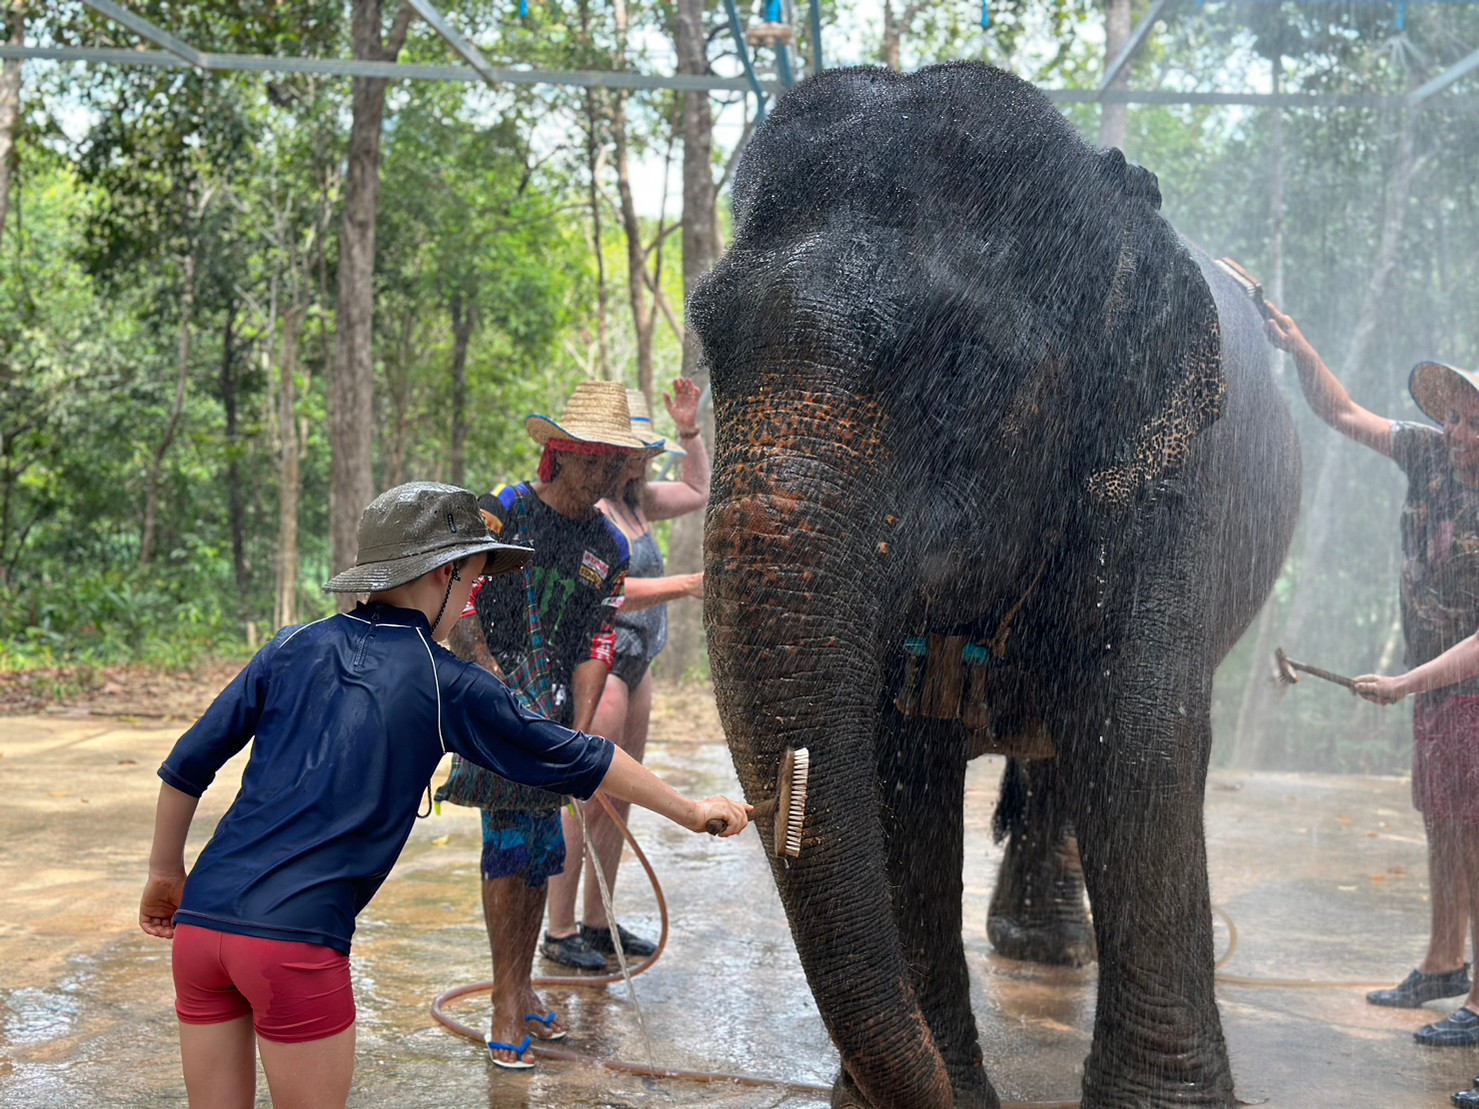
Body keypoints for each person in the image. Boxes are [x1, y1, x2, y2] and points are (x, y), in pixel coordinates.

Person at [139, 481, 749, 1107]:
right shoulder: (447, 681)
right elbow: (584, 756)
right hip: (294, 943)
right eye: (474, 582)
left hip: (201, 927)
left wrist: (165, 871)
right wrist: (692, 809)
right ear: (446, 574)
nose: (471, 603)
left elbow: (186, 764)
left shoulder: (290, 645)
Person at [1267, 306, 1479, 1049]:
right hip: (1437, 689)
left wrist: (1402, 682)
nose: (1457, 434)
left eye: (1472, 424)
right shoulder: (1424, 455)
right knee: (1443, 826)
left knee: (1477, 835)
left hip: (1468, 686)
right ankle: (1443, 961)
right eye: (1453, 419)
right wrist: (1300, 350)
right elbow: (1344, 411)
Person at [445, 380, 651, 1066]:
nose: (607, 475)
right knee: (508, 843)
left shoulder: (607, 547)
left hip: (555, 715)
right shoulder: (506, 512)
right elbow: (460, 594)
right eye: (595, 459)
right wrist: (489, 684)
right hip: (491, 703)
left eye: (615, 463)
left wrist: (581, 729)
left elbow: (598, 637)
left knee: (540, 851)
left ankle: (522, 983)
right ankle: (507, 1002)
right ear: (557, 454)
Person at [542, 381, 709, 969]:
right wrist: (686, 585)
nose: (637, 459)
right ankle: (558, 930)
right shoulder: (587, 509)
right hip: (601, 663)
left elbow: (699, 489)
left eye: (643, 451)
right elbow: (609, 594)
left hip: (642, 662)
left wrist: (689, 430)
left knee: (619, 799)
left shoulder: (638, 503)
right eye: (629, 451)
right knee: (585, 796)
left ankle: (597, 922)